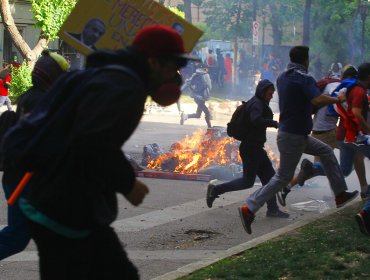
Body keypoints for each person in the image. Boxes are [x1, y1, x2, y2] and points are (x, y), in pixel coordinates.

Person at [8, 24, 196, 279]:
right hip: (64, 211)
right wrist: (127, 182)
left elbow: (91, 136)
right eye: (173, 67)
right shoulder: (125, 87)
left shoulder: (106, 73)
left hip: (57, 204)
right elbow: (91, 143)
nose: (176, 76)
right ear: (153, 62)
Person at [237, 46, 358, 235]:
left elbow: (302, 102)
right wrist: (338, 99)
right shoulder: (304, 78)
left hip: (293, 134)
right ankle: (250, 207)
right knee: (282, 177)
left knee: (326, 152)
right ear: (305, 60)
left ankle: (340, 194)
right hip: (294, 136)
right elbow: (316, 101)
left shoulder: (282, 77)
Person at [0, 50, 70, 261]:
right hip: (25, 181)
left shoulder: (31, 97)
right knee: (17, 237)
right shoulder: (41, 102)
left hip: (22, 179)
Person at [279, 65, 369, 204]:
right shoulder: (354, 90)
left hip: (339, 133)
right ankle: (357, 192)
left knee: (344, 168)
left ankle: (311, 172)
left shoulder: (341, 87)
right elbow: (353, 112)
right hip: (342, 133)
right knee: (343, 161)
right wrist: (366, 129)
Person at [206, 79, 289, 218]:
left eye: (272, 94)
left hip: (255, 148)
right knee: (248, 181)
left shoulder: (257, 102)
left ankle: (272, 209)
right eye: (269, 94)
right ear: (263, 92)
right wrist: (273, 123)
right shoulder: (257, 104)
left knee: (269, 179)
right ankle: (215, 190)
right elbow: (255, 120)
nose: (271, 96)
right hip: (251, 148)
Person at [180, 63, 212, 128]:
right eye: (206, 68)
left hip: (196, 96)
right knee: (207, 113)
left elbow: (187, 83)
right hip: (202, 97)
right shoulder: (206, 75)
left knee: (198, 115)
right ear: (204, 69)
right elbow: (209, 86)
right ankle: (210, 128)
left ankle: (185, 116)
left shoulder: (195, 75)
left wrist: (180, 90)